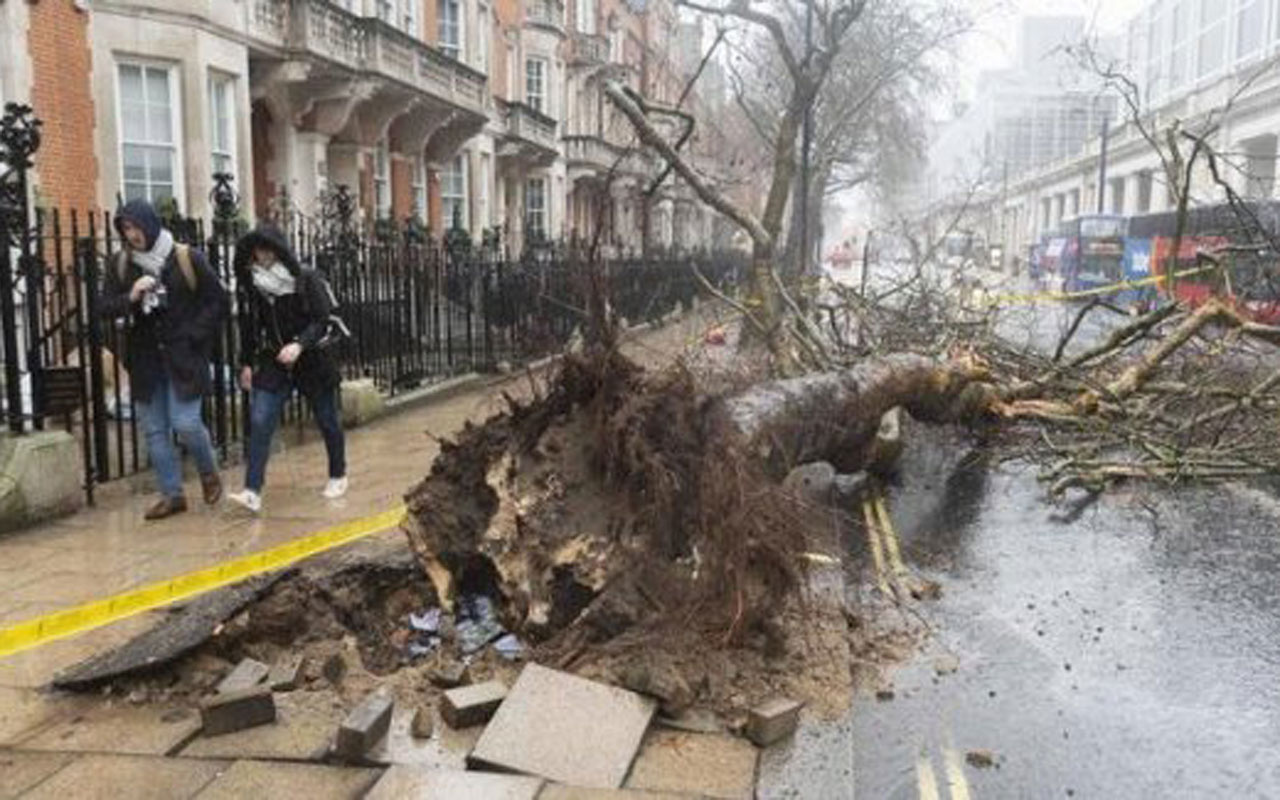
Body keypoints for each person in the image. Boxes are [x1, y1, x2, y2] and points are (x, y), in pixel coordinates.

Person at [101, 200, 228, 520]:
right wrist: (130, 296)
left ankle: (208, 470)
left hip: (184, 356)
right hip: (145, 360)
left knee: (185, 423)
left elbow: (217, 301)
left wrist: (193, 335)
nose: (132, 235)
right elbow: (102, 308)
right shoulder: (121, 264)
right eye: (125, 229)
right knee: (155, 431)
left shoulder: (186, 258)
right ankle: (172, 495)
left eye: (135, 226)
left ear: (150, 223)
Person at [228, 225, 347, 513]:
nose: (262, 255)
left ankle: (338, 473)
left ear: (279, 250)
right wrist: (245, 363)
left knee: (327, 419)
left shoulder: (305, 278)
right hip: (275, 361)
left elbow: (323, 319)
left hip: (313, 359)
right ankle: (252, 490)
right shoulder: (255, 285)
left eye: (267, 249)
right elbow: (250, 326)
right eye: (257, 250)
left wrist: (300, 345)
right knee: (260, 419)